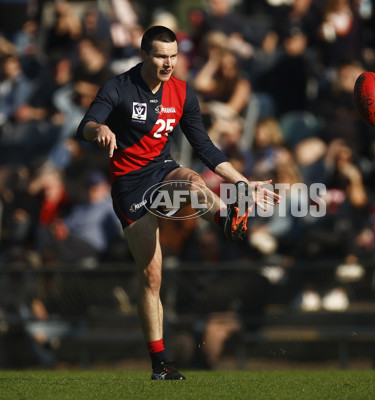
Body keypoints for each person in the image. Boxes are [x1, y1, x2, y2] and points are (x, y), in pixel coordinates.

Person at [77, 26, 279, 380]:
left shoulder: (183, 92)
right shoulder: (118, 86)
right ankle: (160, 365)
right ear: (144, 54)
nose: (168, 63)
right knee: (151, 276)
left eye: (172, 56)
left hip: (162, 170)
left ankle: (227, 219)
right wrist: (101, 130)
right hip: (129, 185)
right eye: (160, 56)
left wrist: (243, 183)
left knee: (188, 177)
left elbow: (204, 146)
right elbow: (87, 124)